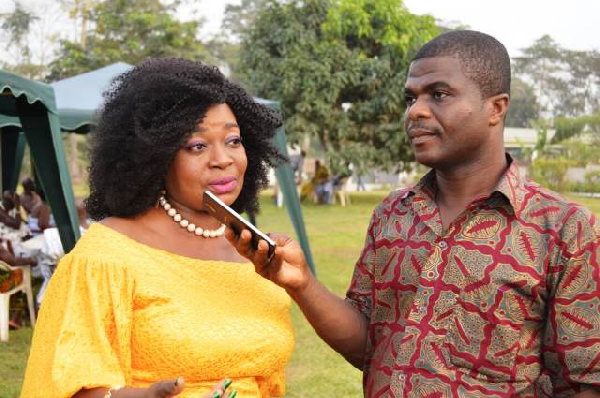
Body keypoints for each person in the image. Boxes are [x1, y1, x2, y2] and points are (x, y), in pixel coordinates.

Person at [227, 30, 600, 397]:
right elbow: (369, 344)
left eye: (439, 95)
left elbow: (584, 381)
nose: (416, 111)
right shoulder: (393, 213)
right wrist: (302, 283)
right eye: (411, 98)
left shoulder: (563, 228)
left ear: (496, 108)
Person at [21, 58, 294, 398]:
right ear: (155, 156)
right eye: (197, 145)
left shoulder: (252, 249)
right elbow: (65, 386)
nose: (223, 158)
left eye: (234, 140)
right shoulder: (104, 258)